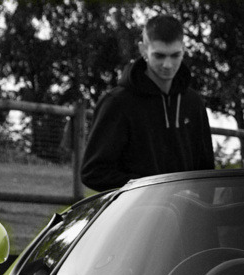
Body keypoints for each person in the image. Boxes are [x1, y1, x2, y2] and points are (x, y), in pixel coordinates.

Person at [80, 14, 215, 191]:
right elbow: (93, 172)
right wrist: (152, 189)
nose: (168, 64)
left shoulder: (194, 103)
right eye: (159, 56)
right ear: (143, 50)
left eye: (175, 55)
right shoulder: (117, 103)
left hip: (187, 208)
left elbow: (206, 172)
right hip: (140, 208)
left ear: (183, 49)